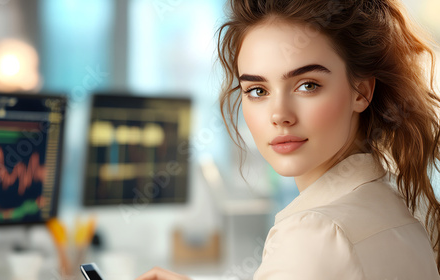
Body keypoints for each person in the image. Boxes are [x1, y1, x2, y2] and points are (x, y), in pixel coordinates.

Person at [136, 0, 440, 279]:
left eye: (307, 85)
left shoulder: (314, 232)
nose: (279, 115)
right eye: (258, 91)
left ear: (361, 91)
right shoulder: (397, 202)